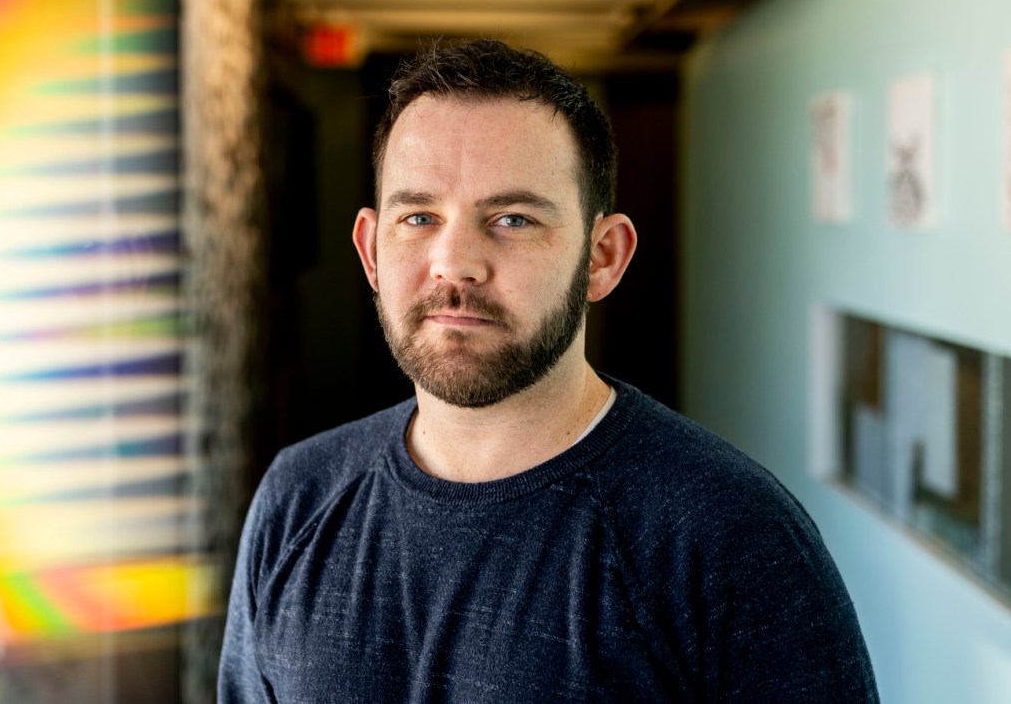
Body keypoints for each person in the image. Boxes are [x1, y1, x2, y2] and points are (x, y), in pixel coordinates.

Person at [218, 38, 878, 702]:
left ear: (603, 257)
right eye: (419, 216)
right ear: (369, 251)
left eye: (512, 218)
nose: (455, 263)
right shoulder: (297, 498)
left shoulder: (733, 537)